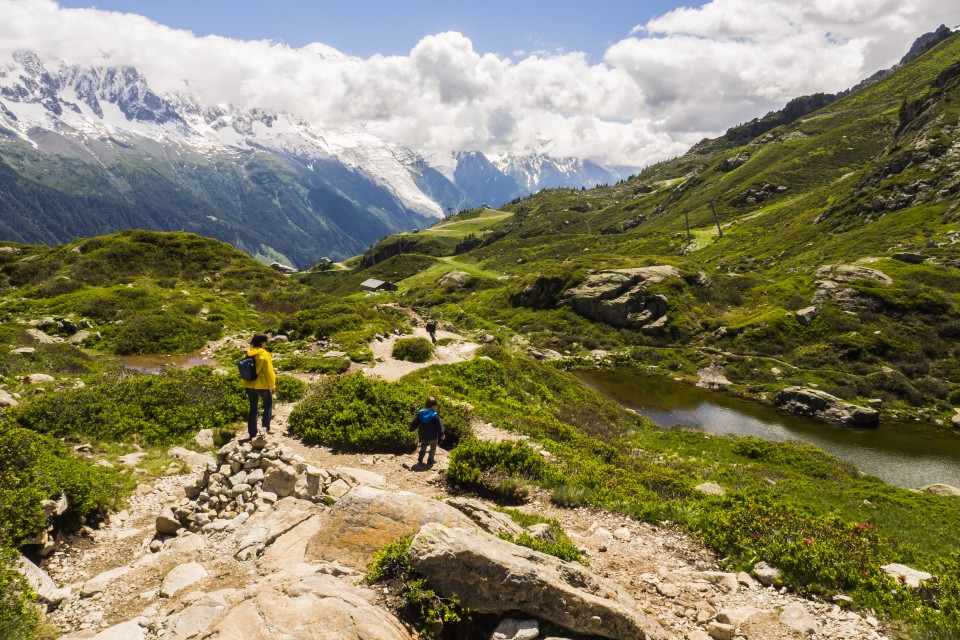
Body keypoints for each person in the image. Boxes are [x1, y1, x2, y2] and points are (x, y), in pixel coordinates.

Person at [242, 333, 276, 439]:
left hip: (249, 384)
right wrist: (272, 385)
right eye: (265, 342)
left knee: (253, 408)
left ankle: (252, 433)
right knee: (268, 404)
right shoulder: (263, 354)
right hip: (262, 385)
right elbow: (269, 372)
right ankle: (265, 429)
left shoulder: (249, 353)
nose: (266, 344)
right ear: (262, 342)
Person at [409, 396, 444, 466]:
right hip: (433, 437)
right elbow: (438, 427)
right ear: (433, 406)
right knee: (433, 448)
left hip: (423, 436)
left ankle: (420, 460)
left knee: (423, 447)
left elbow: (415, 423)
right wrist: (442, 434)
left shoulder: (420, 413)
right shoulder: (435, 416)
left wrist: (410, 429)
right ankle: (430, 461)